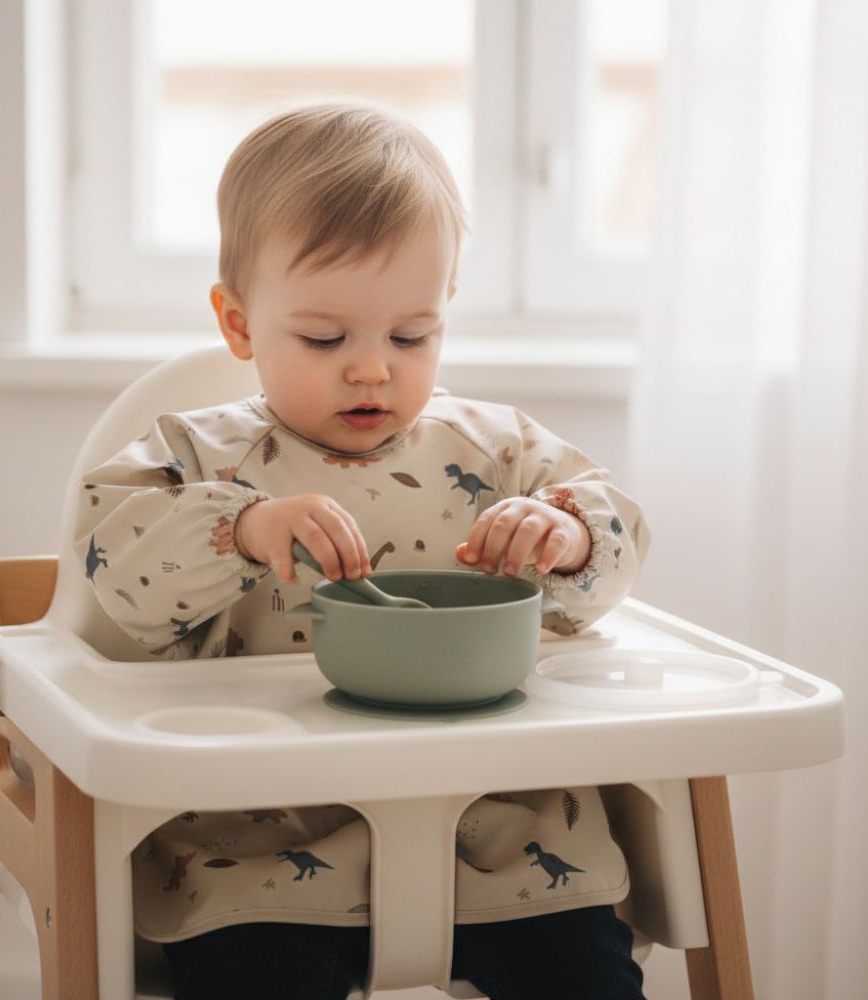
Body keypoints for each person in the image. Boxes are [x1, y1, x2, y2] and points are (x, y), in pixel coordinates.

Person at [75, 103, 650, 1000]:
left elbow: (619, 541)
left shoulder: (501, 454)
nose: (373, 368)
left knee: (587, 978)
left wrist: (568, 535)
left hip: (502, 842)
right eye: (325, 338)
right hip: (260, 849)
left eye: (411, 336)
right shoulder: (190, 457)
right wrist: (242, 527)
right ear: (238, 324)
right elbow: (119, 575)